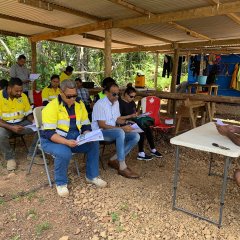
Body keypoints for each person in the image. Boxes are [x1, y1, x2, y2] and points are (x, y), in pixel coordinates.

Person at [41, 79, 107, 197]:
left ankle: (91, 176)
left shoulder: (79, 104)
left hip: (73, 138)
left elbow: (85, 124)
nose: (72, 99)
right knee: (64, 152)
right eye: (69, 96)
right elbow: (49, 134)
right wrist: (66, 142)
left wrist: (87, 134)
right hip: (52, 140)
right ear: (61, 93)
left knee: (93, 143)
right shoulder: (51, 107)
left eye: (75, 96)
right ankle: (61, 183)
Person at [92, 82, 140, 178]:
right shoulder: (100, 104)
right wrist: (121, 128)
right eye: (114, 94)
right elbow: (102, 125)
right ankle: (122, 167)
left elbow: (117, 119)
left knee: (136, 136)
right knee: (120, 132)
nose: (116, 96)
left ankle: (114, 159)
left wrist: (128, 123)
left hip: (113, 131)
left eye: (118, 94)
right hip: (99, 133)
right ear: (107, 93)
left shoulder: (116, 102)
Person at [0, 78, 41, 171]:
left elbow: (28, 114)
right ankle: (9, 158)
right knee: (0, 134)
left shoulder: (23, 96)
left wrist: (33, 121)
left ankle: (32, 154)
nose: (20, 93)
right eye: (17, 91)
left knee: (41, 127)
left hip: (22, 123)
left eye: (21, 90)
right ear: (9, 88)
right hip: (6, 125)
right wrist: (11, 127)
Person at [119, 87, 163, 160]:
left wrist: (138, 115)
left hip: (133, 121)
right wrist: (130, 116)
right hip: (124, 123)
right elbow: (118, 118)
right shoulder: (120, 103)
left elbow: (134, 113)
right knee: (142, 128)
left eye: (134, 96)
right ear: (126, 94)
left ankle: (153, 149)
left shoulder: (132, 103)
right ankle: (141, 153)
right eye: (131, 96)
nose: (132, 98)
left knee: (147, 127)